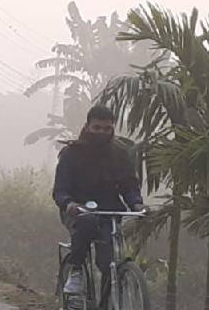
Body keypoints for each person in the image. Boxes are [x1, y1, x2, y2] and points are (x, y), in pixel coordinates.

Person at [52, 105, 145, 295]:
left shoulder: (120, 154)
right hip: (78, 212)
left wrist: (136, 203)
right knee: (87, 222)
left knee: (108, 262)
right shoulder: (71, 154)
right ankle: (76, 270)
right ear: (87, 127)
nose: (101, 133)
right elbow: (60, 190)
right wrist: (69, 203)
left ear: (112, 129)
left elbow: (129, 185)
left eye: (106, 129)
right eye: (97, 128)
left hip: (109, 213)